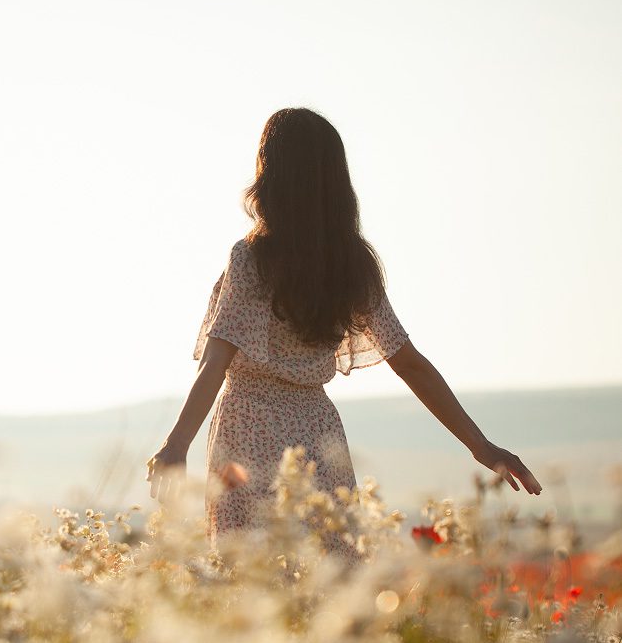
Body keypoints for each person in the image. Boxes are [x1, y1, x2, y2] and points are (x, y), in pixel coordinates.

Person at [145, 107, 542, 554]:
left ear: (270, 176)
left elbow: (216, 362)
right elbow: (410, 364)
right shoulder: (352, 264)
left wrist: (176, 444)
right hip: (317, 434)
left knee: (254, 581)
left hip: (246, 430)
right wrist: (482, 447)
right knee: (325, 575)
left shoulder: (253, 258)